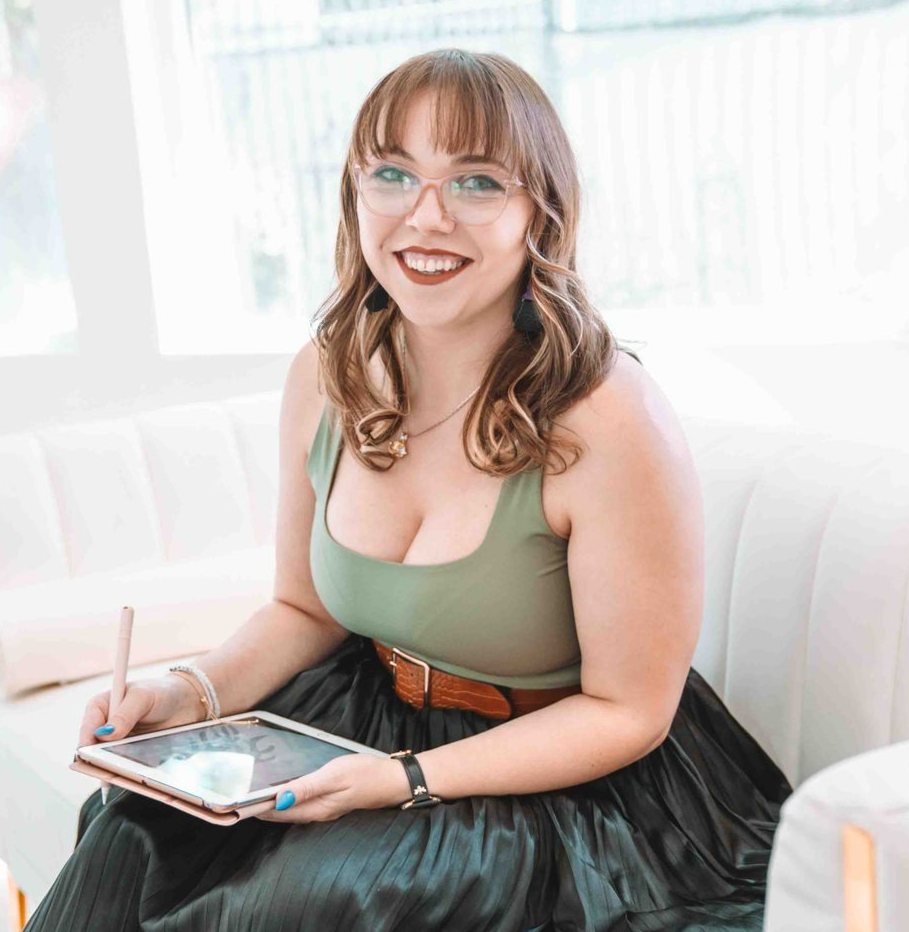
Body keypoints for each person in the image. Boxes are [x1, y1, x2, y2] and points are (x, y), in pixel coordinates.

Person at [25, 48, 792, 932]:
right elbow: (303, 610)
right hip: (364, 720)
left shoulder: (607, 416)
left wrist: (407, 780)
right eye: (392, 174)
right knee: (129, 833)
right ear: (354, 195)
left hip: (556, 782)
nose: (426, 217)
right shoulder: (325, 375)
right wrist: (185, 695)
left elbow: (630, 712)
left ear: (540, 212)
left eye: (475, 182)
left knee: (295, 905)